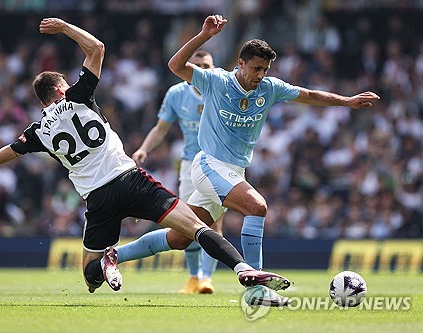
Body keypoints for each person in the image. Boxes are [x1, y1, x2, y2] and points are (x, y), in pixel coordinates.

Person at [0, 17, 291, 299]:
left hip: (98, 198)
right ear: (60, 88)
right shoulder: (80, 95)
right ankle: (243, 268)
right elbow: (97, 47)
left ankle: (107, 260)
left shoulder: (37, 131)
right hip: (132, 179)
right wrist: (63, 28)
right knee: (198, 228)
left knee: (90, 277)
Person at [114, 14, 380, 304]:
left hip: (234, 171)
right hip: (207, 165)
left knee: (181, 238)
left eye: (265, 69)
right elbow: (175, 66)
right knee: (257, 206)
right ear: (239, 64)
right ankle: (257, 288)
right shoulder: (215, 80)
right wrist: (204, 36)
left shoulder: (269, 87)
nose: (260, 75)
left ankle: (114, 254)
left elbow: (309, 95)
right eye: (255, 68)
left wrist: (348, 101)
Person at [132, 49, 223, 294]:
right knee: (186, 223)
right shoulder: (176, 94)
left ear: (214, 69)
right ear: (187, 70)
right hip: (189, 165)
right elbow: (161, 128)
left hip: (219, 164)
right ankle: (193, 278)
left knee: (213, 222)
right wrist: (143, 149)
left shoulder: (221, 89)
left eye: (207, 66)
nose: (203, 70)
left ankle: (207, 278)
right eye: (198, 66)